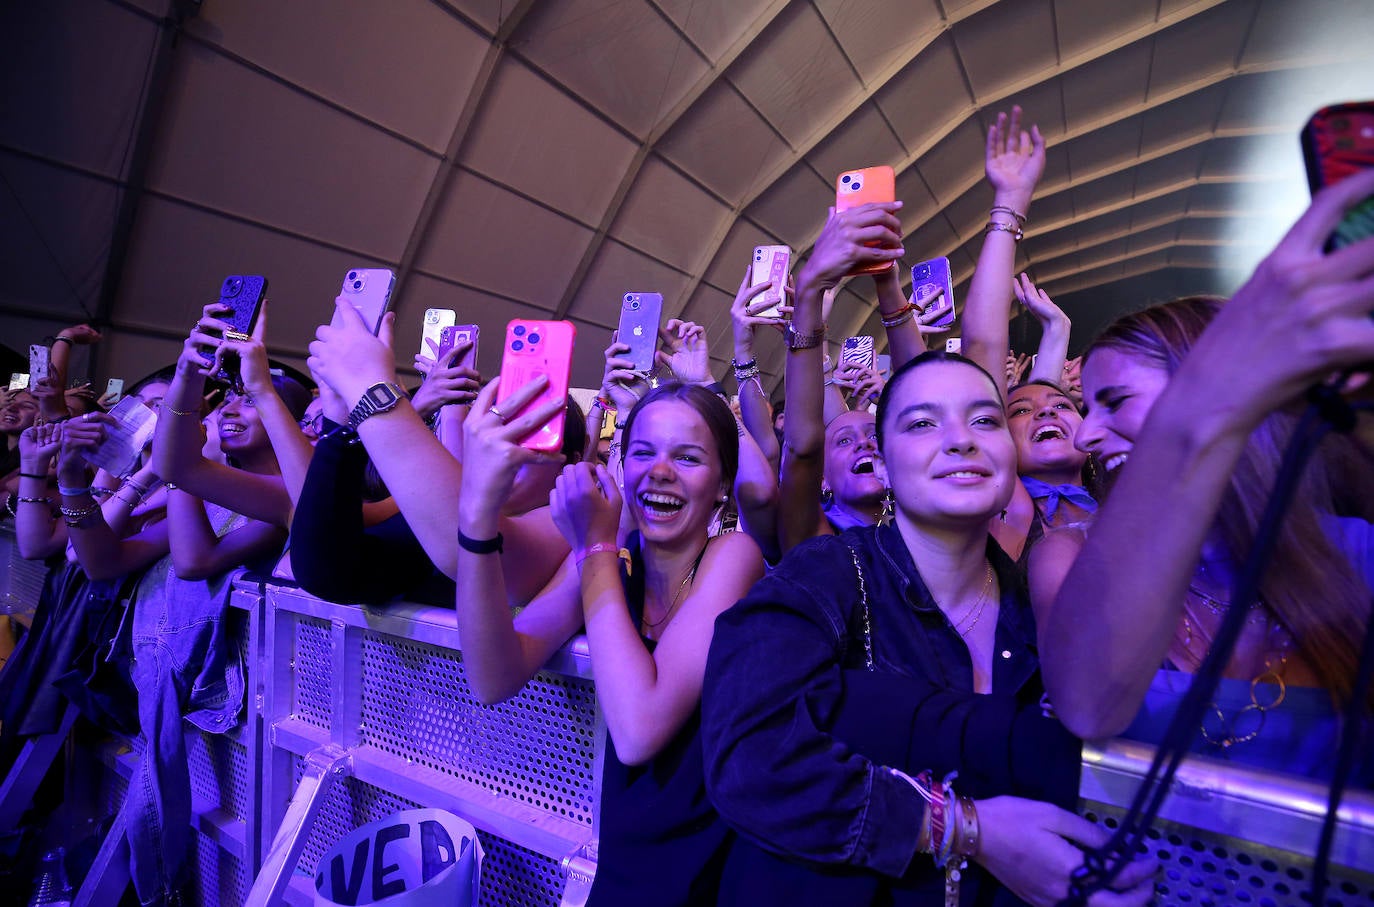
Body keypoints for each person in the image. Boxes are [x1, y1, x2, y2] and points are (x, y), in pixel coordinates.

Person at [701, 351, 1155, 906]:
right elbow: (746, 755)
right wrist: (960, 829)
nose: (961, 440)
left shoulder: (1042, 608)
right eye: (921, 423)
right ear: (883, 465)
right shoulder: (826, 576)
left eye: (984, 420)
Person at [1032, 168, 1374, 784]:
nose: (1084, 435)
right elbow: (1084, 705)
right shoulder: (1075, 554)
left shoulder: (1352, 553)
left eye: (1115, 401)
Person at [454, 371, 764, 906]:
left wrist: (595, 546)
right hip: (627, 871)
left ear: (722, 485)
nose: (659, 471)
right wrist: (477, 515)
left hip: (716, 876)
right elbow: (492, 677)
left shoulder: (734, 556)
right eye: (642, 453)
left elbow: (640, 730)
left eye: (688, 458)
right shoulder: (609, 562)